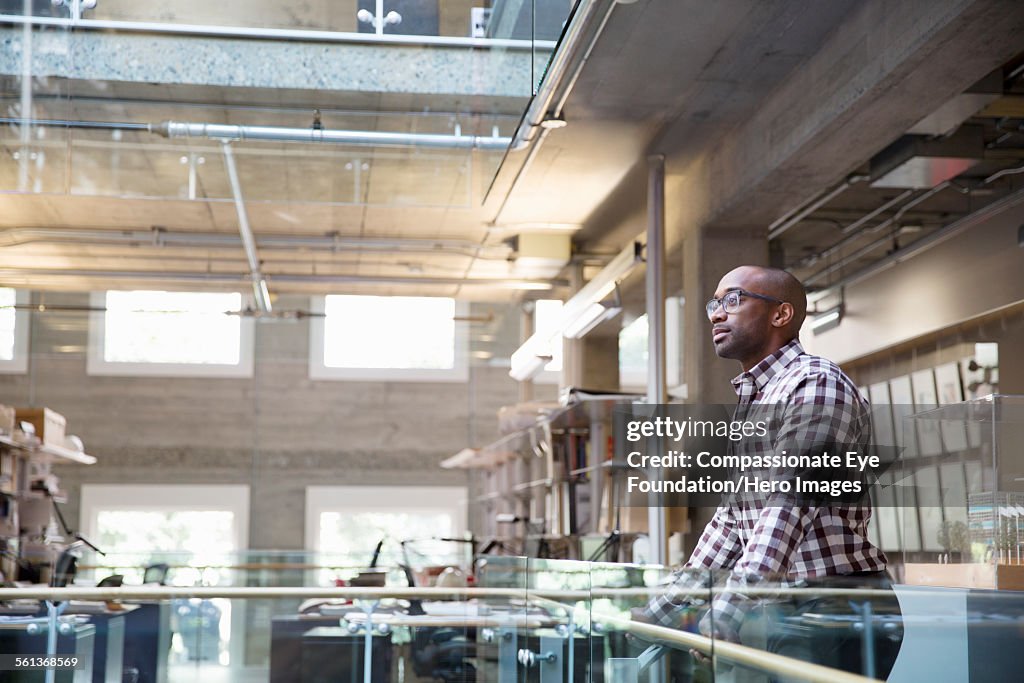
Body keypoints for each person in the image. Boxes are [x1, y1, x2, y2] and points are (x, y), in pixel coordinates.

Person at [637, 265, 894, 678]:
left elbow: (790, 502)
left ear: (781, 315)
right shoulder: (756, 399)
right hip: (790, 606)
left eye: (733, 300)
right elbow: (731, 521)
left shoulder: (815, 384)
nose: (717, 314)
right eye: (714, 305)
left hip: (837, 604)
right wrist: (660, 609)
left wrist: (727, 611)